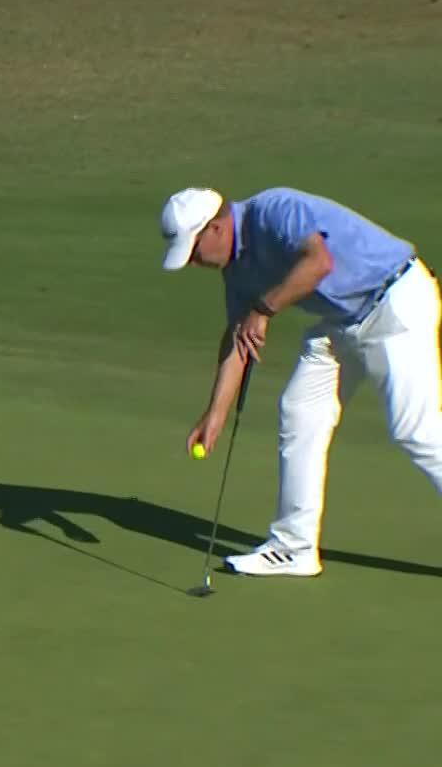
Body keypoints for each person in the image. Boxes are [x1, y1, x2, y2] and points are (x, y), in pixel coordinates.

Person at [160, 185, 442, 577]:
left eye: (194, 250)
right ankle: (293, 547)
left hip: (394, 299)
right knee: (300, 410)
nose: (193, 262)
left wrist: (263, 308)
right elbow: (238, 338)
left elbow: (318, 263)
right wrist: (215, 415)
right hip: (344, 321)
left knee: (415, 430)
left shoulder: (275, 210)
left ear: (216, 229)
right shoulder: (236, 269)